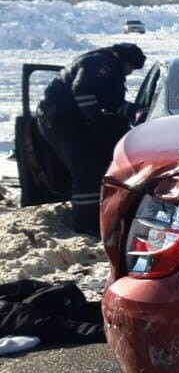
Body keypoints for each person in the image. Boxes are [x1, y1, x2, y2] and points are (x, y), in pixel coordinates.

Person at [36, 43, 146, 236]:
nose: (129, 74)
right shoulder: (100, 63)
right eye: (131, 68)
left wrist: (131, 110)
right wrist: (94, 119)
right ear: (125, 60)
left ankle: (91, 218)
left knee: (90, 168)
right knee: (84, 171)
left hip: (68, 121)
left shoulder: (108, 69)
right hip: (58, 120)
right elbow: (82, 89)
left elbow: (111, 101)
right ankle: (84, 224)